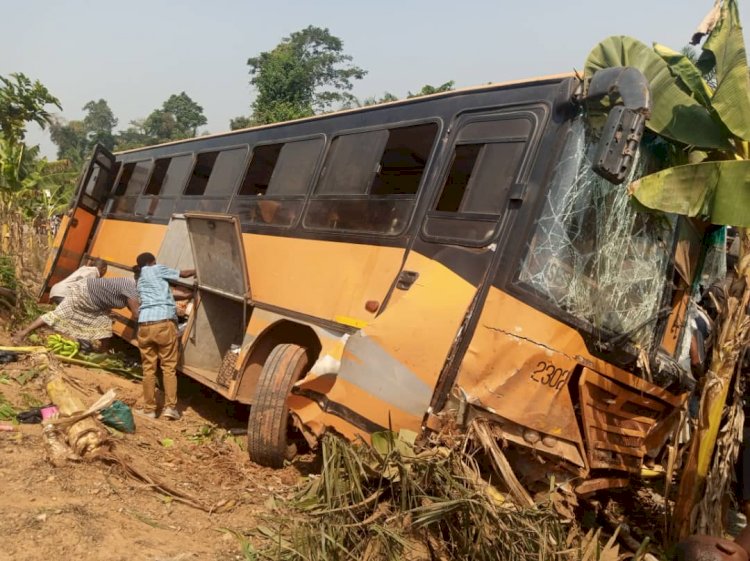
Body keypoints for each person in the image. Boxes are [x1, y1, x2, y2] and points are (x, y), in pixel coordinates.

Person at [133, 252, 194, 421]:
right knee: (168, 367)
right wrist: (199, 271)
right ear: (152, 262)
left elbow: (162, 293)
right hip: (163, 323)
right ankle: (170, 408)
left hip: (145, 325)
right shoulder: (157, 269)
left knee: (148, 369)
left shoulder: (139, 280)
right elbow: (183, 274)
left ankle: (149, 410)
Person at [13, 276, 139, 345]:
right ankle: (22, 333)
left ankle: (101, 353)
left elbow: (130, 306)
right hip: (84, 296)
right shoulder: (131, 287)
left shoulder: (131, 283)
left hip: (93, 302)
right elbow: (136, 313)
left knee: (105, 325)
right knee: (57, 315)